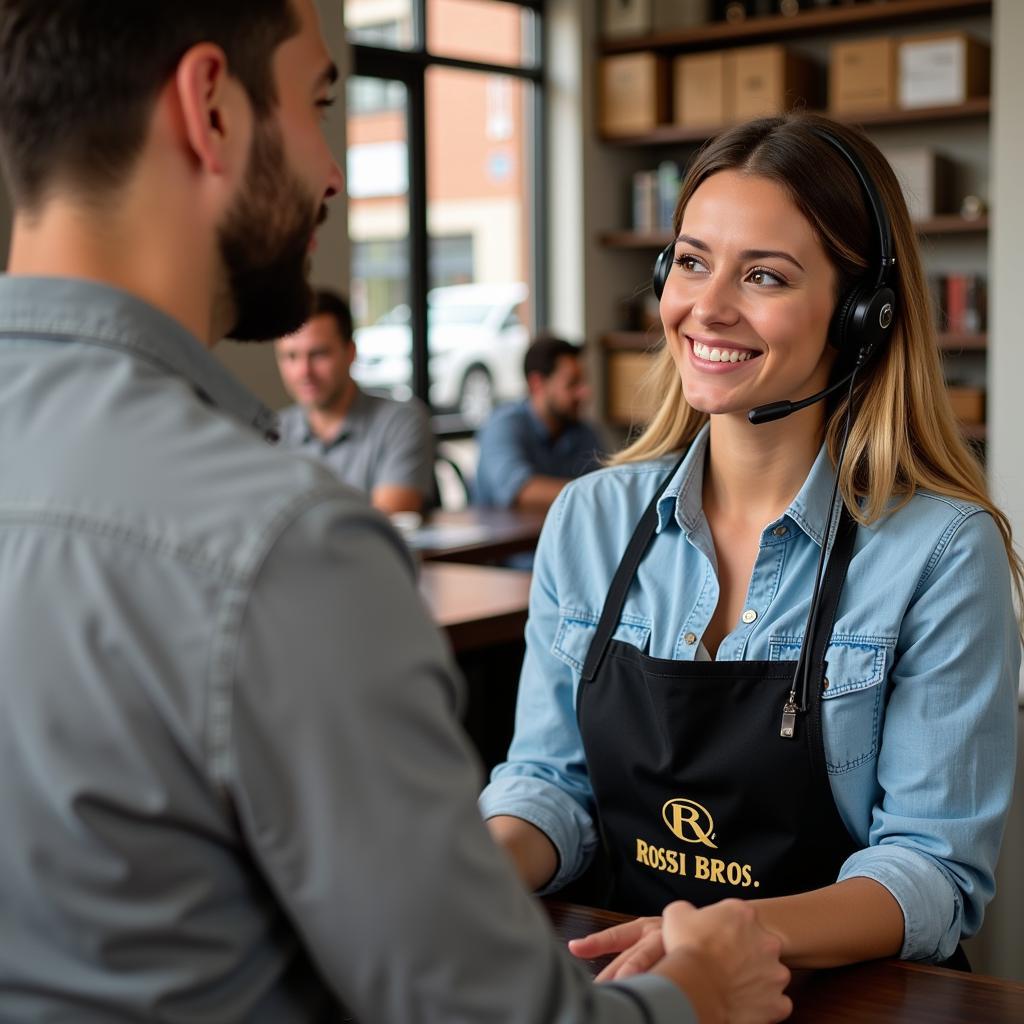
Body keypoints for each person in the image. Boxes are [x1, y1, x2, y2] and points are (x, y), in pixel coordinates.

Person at [0, 2, 793, 1022]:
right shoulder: (279, 544)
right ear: (211, 109)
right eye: (317, 107)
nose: (331, 173)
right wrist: (697, 990)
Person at [480, 112, 1021, 976]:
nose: (707, 308)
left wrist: (730, 941)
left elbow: (931, 870)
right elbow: (552, 784)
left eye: (764, 275)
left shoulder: (944, 552)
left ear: (861, 315)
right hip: (630, 983)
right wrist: (467, 871)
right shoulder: (591, 518)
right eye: (691, 262)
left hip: (835, 994)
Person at [275, 288, 435, 515]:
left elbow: (384, 526)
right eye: (291, 356)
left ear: (350, 352)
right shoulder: (273, 433)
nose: (304, 371)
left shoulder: (401, 422)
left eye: (319, 354)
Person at [474, 334, 604, 512]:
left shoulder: (582, 432)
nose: (584, 392)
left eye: (583, 382)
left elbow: (603, 483)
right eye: (572, 384)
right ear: (537, 384)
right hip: (507, 538)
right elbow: (520, 490)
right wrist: (594, 491)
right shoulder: (503, 425)